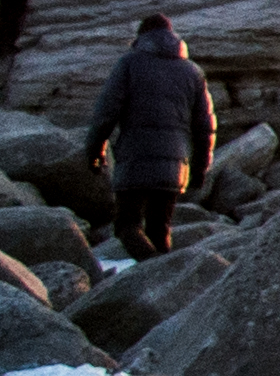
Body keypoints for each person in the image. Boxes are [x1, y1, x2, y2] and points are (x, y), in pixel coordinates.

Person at [79, 14, 219, 260]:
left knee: (127, 226)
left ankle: (153, 269)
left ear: (142, 36)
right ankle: (165, 282)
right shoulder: (193, 72)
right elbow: (205, 127)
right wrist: (199, 169)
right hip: (175, 163)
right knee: (159, 230)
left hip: (136, 157)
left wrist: (95, 150)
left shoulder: (130, 64)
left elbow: (106, 112)